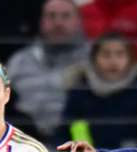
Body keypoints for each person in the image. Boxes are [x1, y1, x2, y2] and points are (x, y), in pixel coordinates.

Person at [6, 0, 88, 140]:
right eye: (51, 16)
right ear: (41, 21)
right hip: (24, 144)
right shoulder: (19, 61)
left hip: (81, 145)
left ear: (79, 21)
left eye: (66, 16)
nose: (58, 23)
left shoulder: (94, 61)